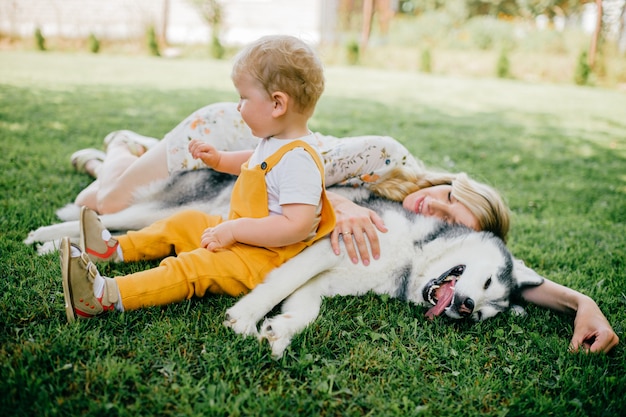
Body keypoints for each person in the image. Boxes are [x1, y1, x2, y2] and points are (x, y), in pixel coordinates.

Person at [67, 92, 618, 353]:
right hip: (237, 138)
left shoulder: (421, 246)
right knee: (101, 204)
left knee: (112, 198)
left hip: (245, 184)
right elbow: (290, 162)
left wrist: (582, 304)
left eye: (452, 222)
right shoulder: (386, 156)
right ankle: (116, 151)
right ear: (448, 179)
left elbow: (507, 274)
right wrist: (343, 205)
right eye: (448, 197)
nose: (435, 210)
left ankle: (120, 152)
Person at [60, 34, 336, 323]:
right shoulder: (277, 141)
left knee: (193, 266)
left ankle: (103, 296)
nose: (238, 107)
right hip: (246, 238)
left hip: (264, 260)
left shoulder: (299, 160)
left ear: (277, 104)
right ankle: (113, 248)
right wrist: (218, 159)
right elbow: (254, 162)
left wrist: (234, 231)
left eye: (243, 98)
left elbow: (296, 225)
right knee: (185, 222)